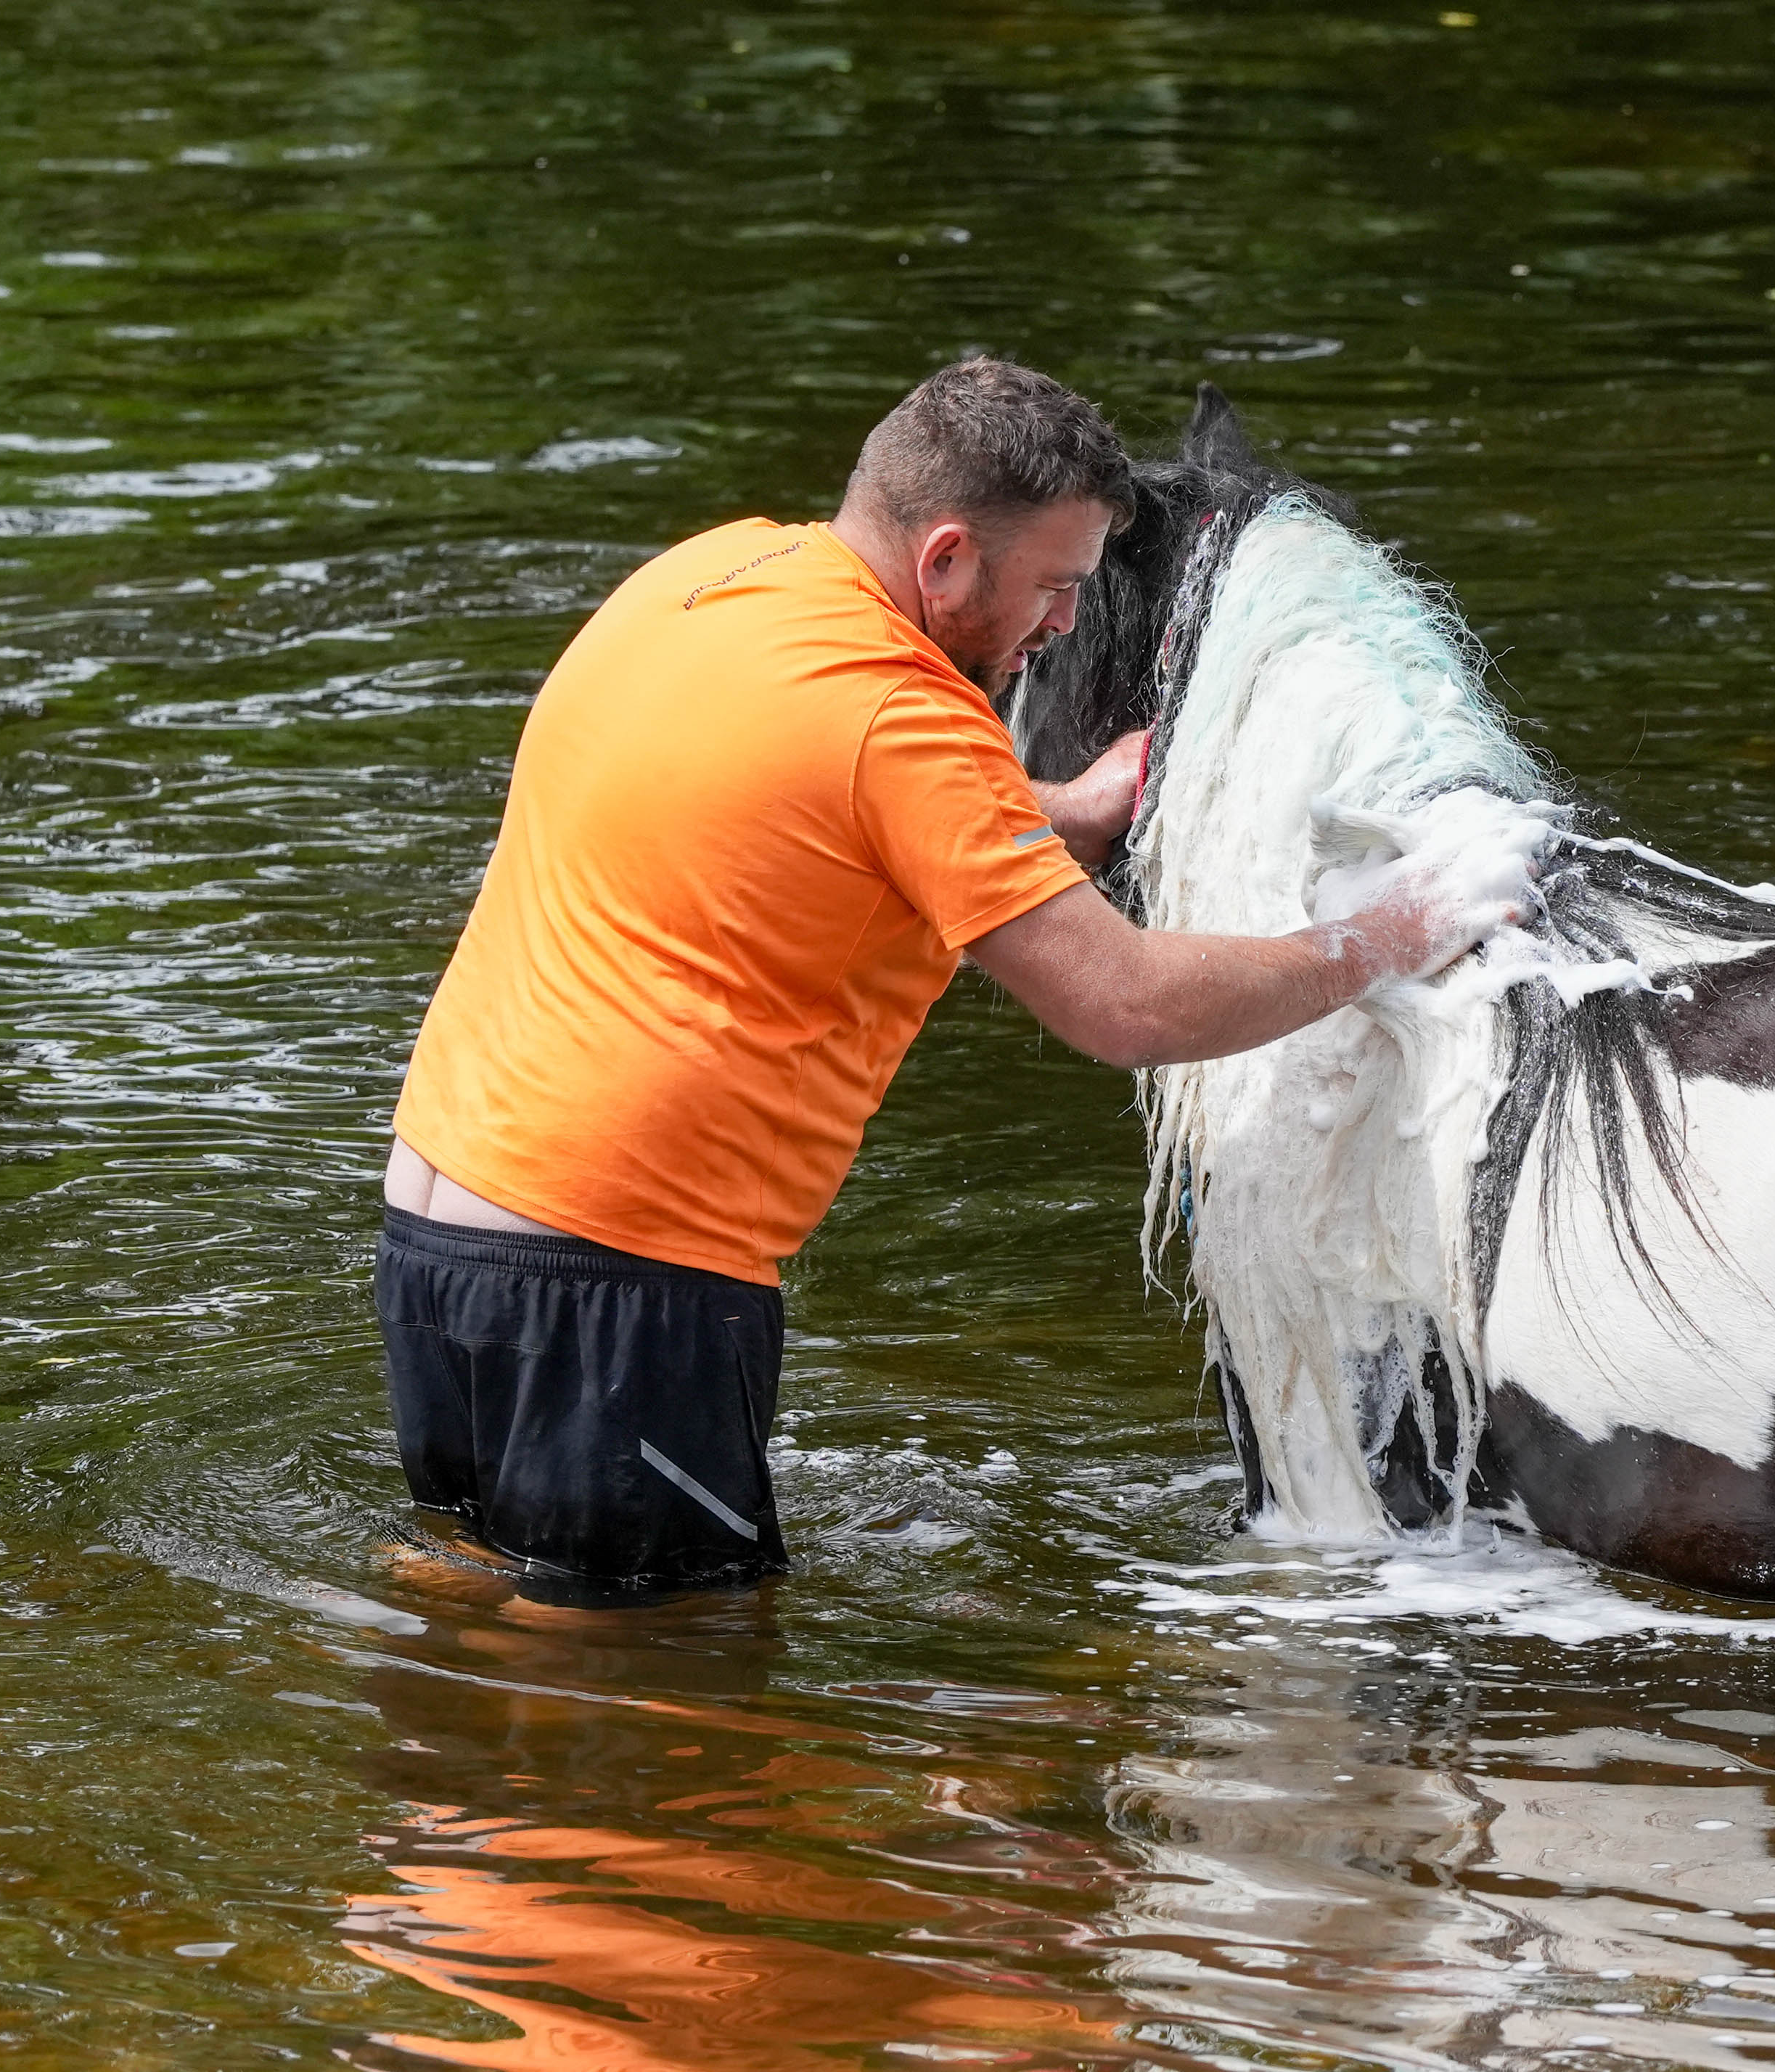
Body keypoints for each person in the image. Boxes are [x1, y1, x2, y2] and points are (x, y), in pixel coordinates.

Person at [377, 356, 1515, 1605]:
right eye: (1057, 585)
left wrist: (1064, 814)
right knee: (667, 1685)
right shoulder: (908, 718)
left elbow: (804, 799)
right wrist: (1388, 934)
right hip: (622, 1278)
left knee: (484, 1605)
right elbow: (1122, 1003)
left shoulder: (717, 576)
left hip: (445, 1229)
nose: (1070, 623)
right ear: (948, 560)